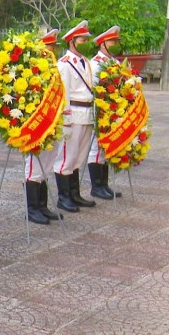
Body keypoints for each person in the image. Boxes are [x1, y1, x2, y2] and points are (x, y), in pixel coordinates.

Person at [53, 20, 97, 212]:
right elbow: (64, 93)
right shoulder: (64, 64)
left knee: (79, 156)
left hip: (87, 113)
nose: (87, 42)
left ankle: (74, 194)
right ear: (72, 41)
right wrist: (66, 118)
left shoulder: (85, 62)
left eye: (87, 39)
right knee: (67, 157)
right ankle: (64, 197)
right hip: (74, 114)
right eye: (83, 39)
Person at [24, 29, 64, 225]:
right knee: (34, 167)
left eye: (54, 47)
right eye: (50, 47)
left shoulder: (55, 69)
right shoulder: (33, 70)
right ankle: (32, 208)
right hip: (38, 126)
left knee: (47, 166)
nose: (53, 50)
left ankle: (42, 205)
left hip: (53, 123)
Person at [87, 26, 123, 200]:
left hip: (113, 111)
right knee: (96, 147)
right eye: (112, 42)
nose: (115, 44)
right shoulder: (94, 64)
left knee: (107, 146)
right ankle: (96, 186)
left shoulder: (116, 63)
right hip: (99, 111)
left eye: (117, 42)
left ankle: (104, 184)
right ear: (102, 44)